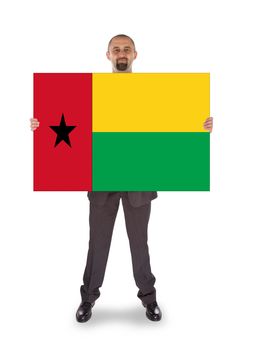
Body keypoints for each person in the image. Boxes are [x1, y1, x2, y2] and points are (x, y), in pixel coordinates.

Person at [30, 34, 213, 323]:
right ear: (108, 56)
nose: (121, 53)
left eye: (126, 49)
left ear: (135, 54)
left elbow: (170, 125)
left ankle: (148, 298)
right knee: (98, 243)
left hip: (138, 182)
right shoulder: (91, 91)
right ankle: (88, 299)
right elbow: (66, 122)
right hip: (102, 181)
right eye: (116, 50)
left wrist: (200, 126)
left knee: (140, 244)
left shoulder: (152, 92)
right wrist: (41, 124)